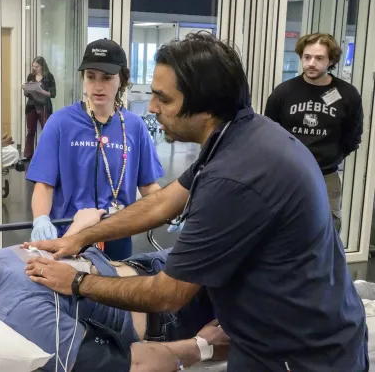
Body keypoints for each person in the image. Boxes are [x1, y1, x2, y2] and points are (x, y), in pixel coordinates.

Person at [24, 33, 369, 372]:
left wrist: (76, 282)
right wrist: (80, 237)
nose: (153, 107)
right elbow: (161, 203)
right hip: (276, 331)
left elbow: (167, 294)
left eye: (164, 99)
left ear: (204, 106)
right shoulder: (239, 136)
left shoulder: (236, 175)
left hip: (298, 351)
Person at [0, 209, 230, 372]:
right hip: (168, 310)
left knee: (236, 231)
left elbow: (63, 254)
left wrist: (78, 230)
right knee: (258, 256)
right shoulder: (21, 316)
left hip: (146, 265)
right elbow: (130, 365)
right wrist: (200, 348)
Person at [26, 39, 164, 260]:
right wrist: (40, 218)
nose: (98, 86)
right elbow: (44, 185)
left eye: (107, 78)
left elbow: (148, 185)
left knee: (113, 291)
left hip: (117, 236)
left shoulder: (134, 127)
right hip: (69, 235)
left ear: (122, 80)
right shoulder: (60, 123)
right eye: (91, 76)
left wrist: (177, 211)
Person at [265, 33, 363, 232]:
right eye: (307, 57)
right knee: (284, 230)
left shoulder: (347, 94)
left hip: (326, 175)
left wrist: (333, 155)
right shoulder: (283, 92)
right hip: (288, 174)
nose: (311, 63)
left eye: (319, 58)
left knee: (329, 230)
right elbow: (268, 133)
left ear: (331, 60)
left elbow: (353, 136)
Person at [23, 56, 56, 161]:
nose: (34, 69)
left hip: (44, 106)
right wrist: (26, 89)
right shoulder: (30, 76)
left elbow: (53, 94)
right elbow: (27, 94)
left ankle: (46, 154)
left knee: (46, 131)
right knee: (30, 131)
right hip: (31, 106)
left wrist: (40, 90)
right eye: (33, 67)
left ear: (42, 66)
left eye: (36, 66)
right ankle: (28, 155)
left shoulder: (49, 77)